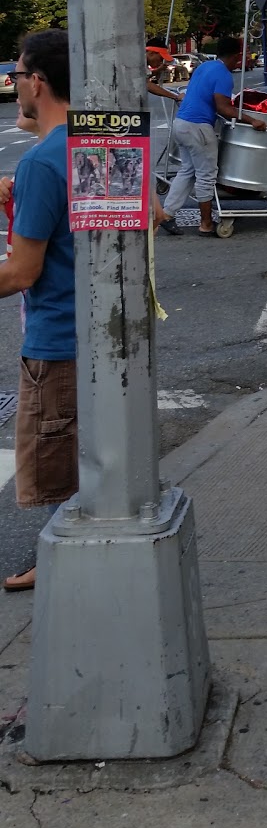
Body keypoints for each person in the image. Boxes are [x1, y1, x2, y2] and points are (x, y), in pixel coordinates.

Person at [0, 30, 75, 593]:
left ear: (38, 82)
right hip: (97, 333)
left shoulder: (42, 164)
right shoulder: (92, 143)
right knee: (84, 458)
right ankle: (53, 558)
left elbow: (21, 272)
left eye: (18, 74)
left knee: (57, 467)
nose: (14, 85)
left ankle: (59, 564)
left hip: (56, 339)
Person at [159, 35, 267, 238]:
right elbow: (223, 107)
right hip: (198, 128)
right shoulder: (224, 75)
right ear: (236, 55)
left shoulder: (204, 67)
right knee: (206, 176)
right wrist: (253, 120)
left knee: (187, 170)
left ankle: (166, 214)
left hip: (181, 124)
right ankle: (206, 224)